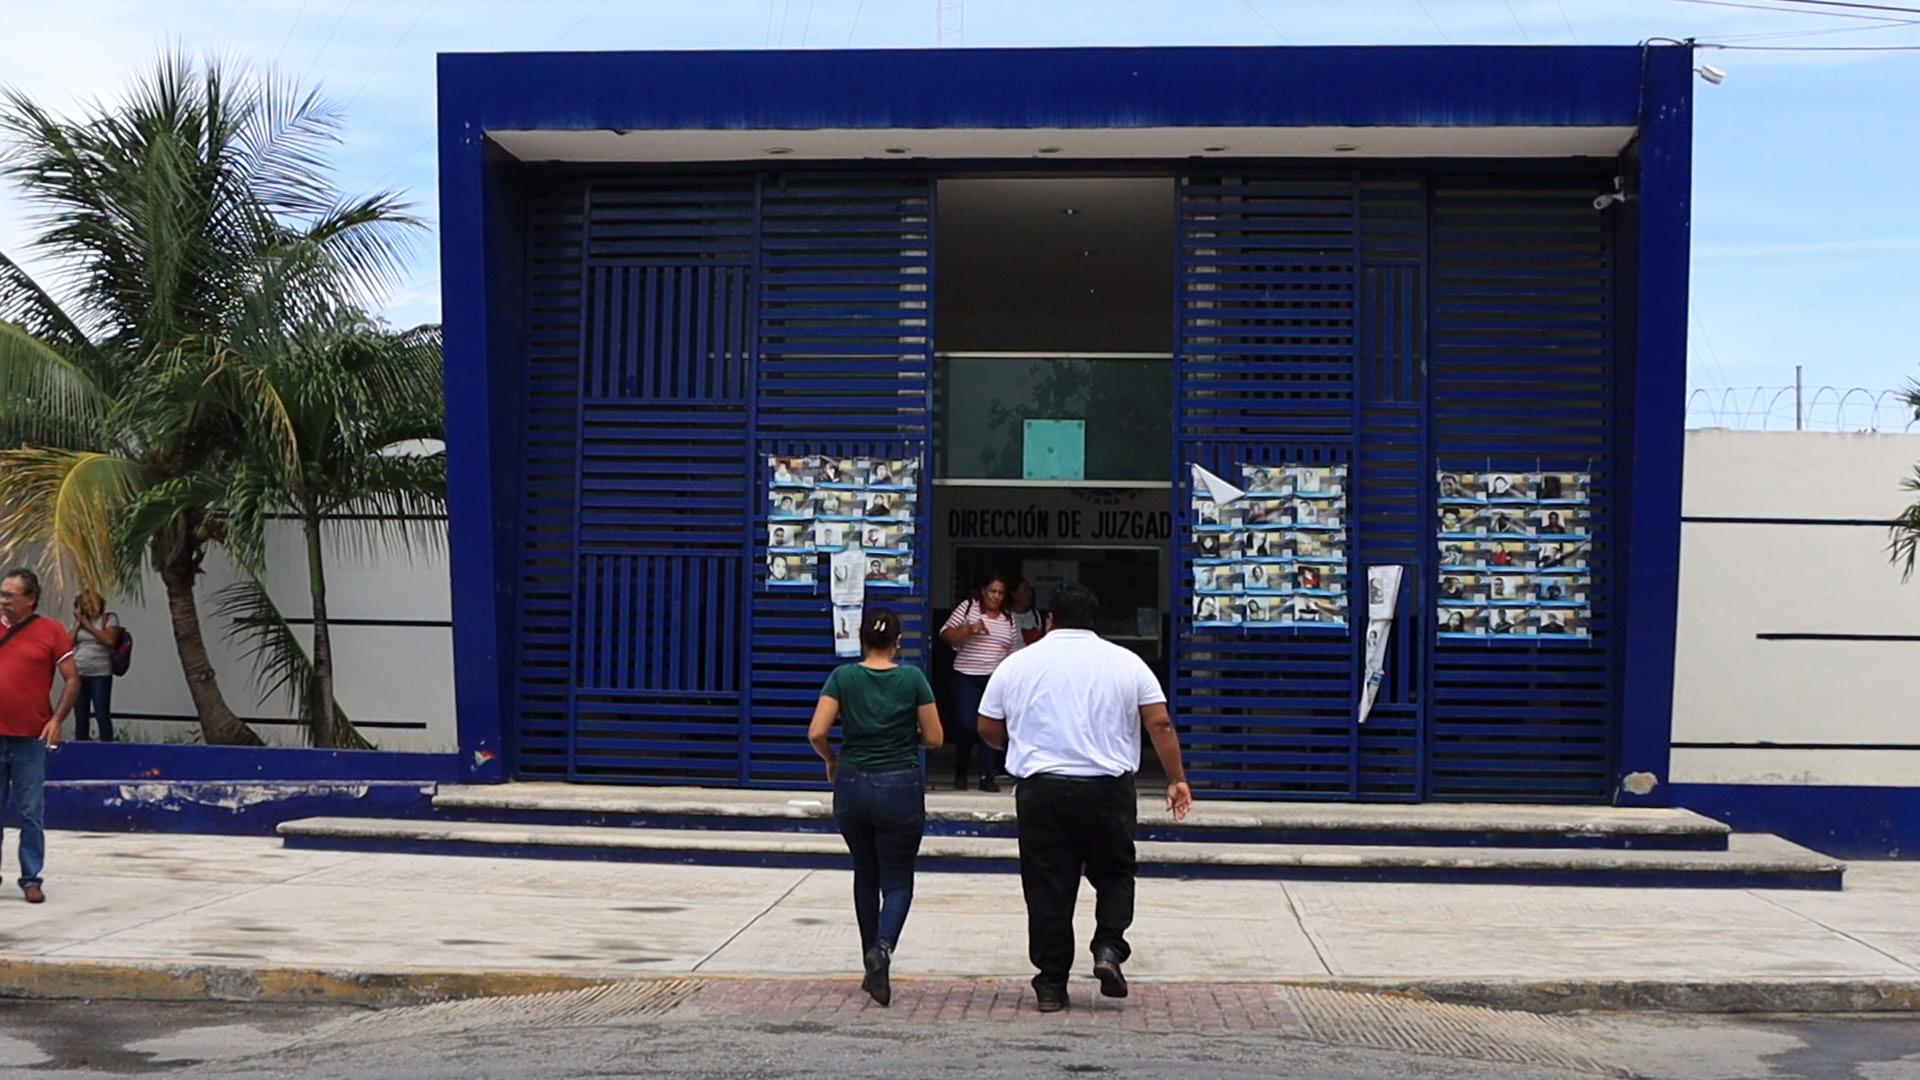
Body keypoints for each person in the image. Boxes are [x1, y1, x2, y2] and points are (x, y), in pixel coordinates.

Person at [976, 584, 1191, 1013]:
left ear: (1049, 619)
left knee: (1047, 887)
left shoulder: (1017, 664)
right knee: (1115, 872)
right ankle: (1108, 948)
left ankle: (1051, 984)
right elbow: (1160, 723)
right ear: (1095, 622)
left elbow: (986, 726)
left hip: (1042, 791)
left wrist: (1019, 745)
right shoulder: (1127, 663)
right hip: (1108, 791)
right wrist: (1176, 779)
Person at [807, 609, 943, 1007]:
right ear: (898, 642)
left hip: (852, 785)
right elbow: (935, 737)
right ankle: (882, 948)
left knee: (865, 874)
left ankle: (871, 965)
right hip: (899, 785)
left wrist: (832, 759)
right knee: (897, 881)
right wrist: (907, 735)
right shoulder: (913, 679)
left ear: (861, 640)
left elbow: (816, 732)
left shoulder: (842, 677)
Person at [0, 569, 77, 904]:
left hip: (30, 738)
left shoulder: (51, 631)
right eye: (1, 594)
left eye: (10, 595)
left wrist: (57, 719)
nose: (3, 600)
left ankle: (31, 878)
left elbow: (72, 678)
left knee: (31, 811)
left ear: (30, 598)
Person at [938, 573, 1021, 792]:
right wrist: (969, 629)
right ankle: (961, 772)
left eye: (1000, 593)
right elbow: (945, 634)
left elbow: (1013, 653)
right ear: (984, 591)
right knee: (967, 725)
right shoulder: (968, 608)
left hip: (994, 680)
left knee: (990, 727)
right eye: (992, 591)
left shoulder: (1009, 619)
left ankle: (987, 776)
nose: (996, 596)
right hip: (965, 676)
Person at [70, 590, 121, 742]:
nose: (89, 607)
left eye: (91, 603)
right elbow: (66, 644)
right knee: (80, 715)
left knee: (101, 713)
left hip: (100, 672)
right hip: (79, 672)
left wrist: (89, 627)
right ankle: (81, 745)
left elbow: (110, 640)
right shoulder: (79, 623)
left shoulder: (109, 619)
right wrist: (79, 624)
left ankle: (106, 746)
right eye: (84, 604)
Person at [1008, 578, 1049, 646]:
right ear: (1014, 595)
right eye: (1025, 591)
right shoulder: (1006, 617)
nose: (1030, 593)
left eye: (1030, 590)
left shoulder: (1038, 616)